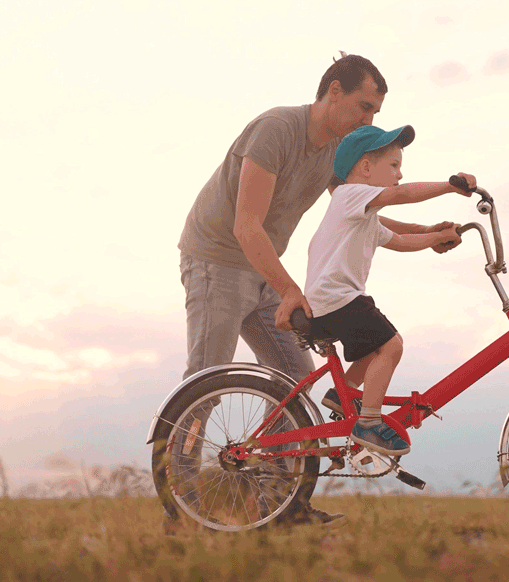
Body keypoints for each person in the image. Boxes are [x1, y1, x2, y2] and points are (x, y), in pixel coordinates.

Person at [177, 55, 462, 525]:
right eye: (364, 107)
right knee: (203, 385)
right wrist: (290, 291)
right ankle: (180, 501)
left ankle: (283, 506)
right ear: (333, 92)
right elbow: (246, 226)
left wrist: (427, 231)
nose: (369, 120)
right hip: (217, 261)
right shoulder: (276, 130)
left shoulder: (335, 153)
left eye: (375, 112)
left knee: (298, 388)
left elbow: (363, 210)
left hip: (265, 269)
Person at [304, 124, 475, 455]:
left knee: (372, 347)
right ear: (366, 168)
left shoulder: (362, 213)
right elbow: (400, 195)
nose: (399, 174)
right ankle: (368, 423)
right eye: (393, 166)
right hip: (335, 298)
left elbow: (399, 239)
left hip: (334, 299)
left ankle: (343, 394)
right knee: (391, 345)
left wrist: (433, 237)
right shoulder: (349, 194)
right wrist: (449, 186)